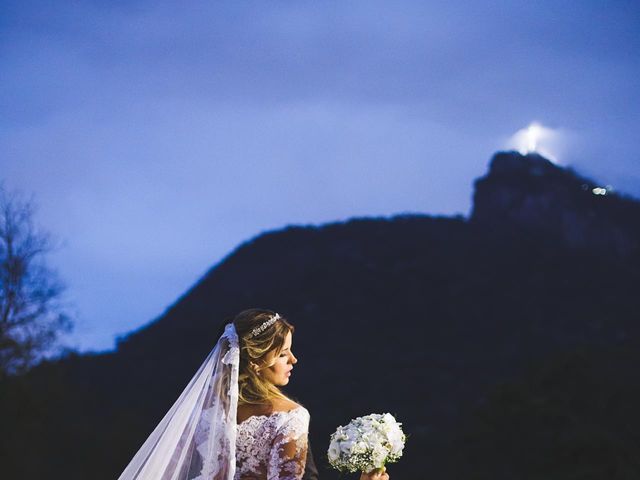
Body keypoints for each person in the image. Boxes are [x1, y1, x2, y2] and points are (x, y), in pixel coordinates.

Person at [118, 308, 389, 480]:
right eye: (283, 354)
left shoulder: (207, 415)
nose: (293, 360)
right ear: (257, 362)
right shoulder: (288, 417)